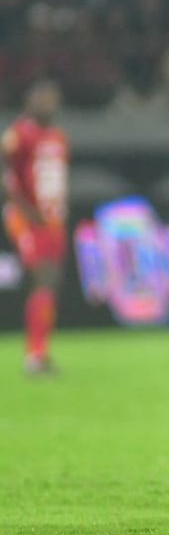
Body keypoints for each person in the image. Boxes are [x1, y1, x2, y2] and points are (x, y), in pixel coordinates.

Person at [2, 80, 68, 376]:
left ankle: (40, 350)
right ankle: (35, 355)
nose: (48, 105)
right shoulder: (19, 135)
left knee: (50, 281)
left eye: (52, 100)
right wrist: (28, 212)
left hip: (52, 220)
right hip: (27, 218)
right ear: (30, 102)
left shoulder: (57, 138)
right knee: (43, 277)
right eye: (43, 99)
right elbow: (9, 177)